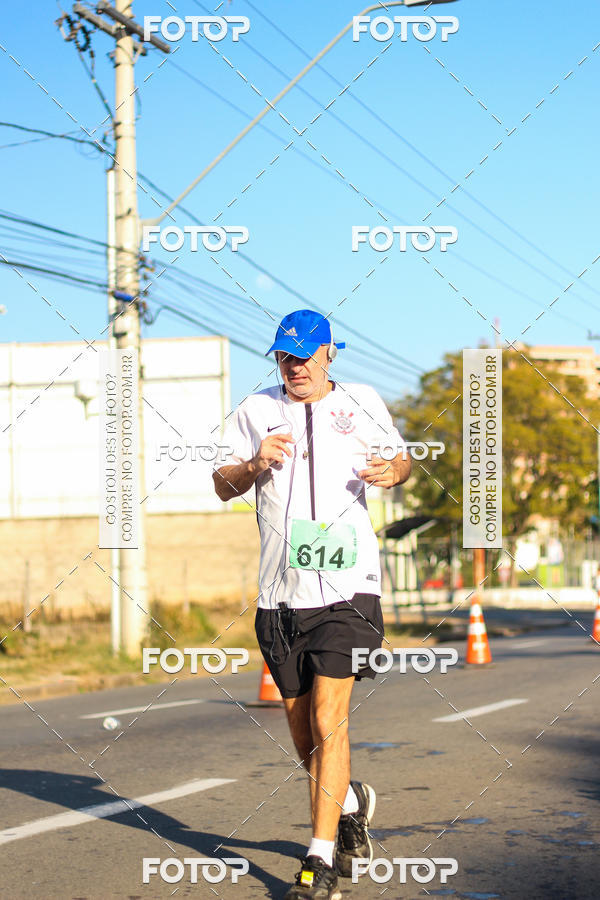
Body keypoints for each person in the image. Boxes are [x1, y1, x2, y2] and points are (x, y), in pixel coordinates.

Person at [213, 309, 411, 899]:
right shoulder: (254, 411)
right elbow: (221, 484)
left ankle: (318, 860)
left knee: (330, 722)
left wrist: (389, 471)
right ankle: (348, 801)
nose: (294, 366)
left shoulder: (364, 402)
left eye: (304, 356)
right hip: (280, 595)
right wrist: (254, 464)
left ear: (329, 354)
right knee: (303, 737)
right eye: (284, 356)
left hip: (349, 589)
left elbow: (402, 460)